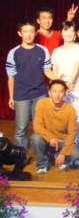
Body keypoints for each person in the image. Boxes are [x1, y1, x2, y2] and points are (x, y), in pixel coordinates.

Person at [6, 19, 58, 149]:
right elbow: (11, 77)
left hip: (39, 94)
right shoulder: (13, 52)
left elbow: (47, 71)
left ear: (36, 33)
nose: (28, 34)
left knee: (39, 127)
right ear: (20, 33)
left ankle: (40, 155)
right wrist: (11, 97)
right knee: (21, 129)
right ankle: (21, 156)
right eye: (25, 31)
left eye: (31, 31)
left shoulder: (43, 50)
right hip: (21, 95)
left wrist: (59, 81)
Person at [31, 80, 79, 173]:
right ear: (49, 93)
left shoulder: (70, 110)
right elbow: (37, 126)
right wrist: (50, 137)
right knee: (35, 138)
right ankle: (42, 165)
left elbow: (72, 134)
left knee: (76, 154)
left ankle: (60, 158)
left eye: (61, 92)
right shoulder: (42, 103)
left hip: (61, 139)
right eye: (54, 91)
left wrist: (63, 153)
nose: (57, 95)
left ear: (65, 93)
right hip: (46, 138)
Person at [51, 21, 79, 117]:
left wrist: (68, 84)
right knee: (59, 117)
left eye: (71, 31)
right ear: (61, 33)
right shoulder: (56, 51)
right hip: (59, 90)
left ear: (75, 33)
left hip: (75, 89)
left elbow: (76, 68)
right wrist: (55, 86)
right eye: (66, 31)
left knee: (76, 117)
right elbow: (54, 71)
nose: (68, 34)